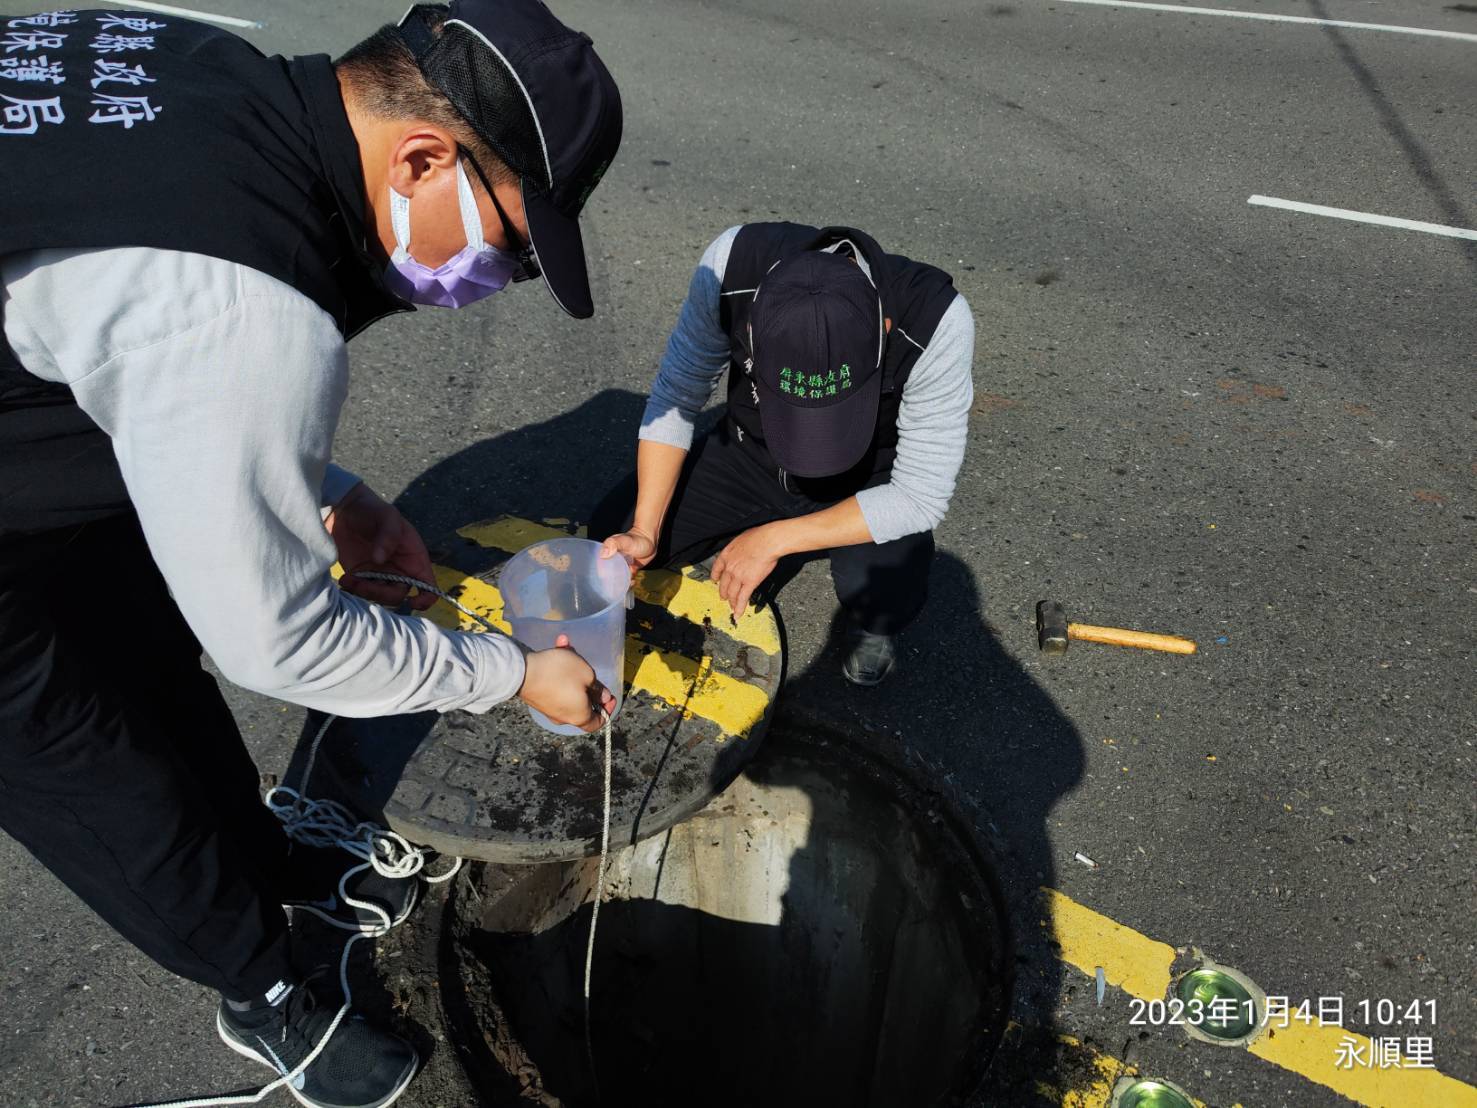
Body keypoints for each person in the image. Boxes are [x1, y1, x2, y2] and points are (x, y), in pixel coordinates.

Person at [0, 3, 620, 1105]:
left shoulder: (201, 58)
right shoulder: (245, 306)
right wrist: (514, 673)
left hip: (32, 420)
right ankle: (261, 986)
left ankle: (257, 854)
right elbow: (276, 641)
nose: (495, 279)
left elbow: (130, 339)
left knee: (144, 644)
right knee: (81, 756)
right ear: (423, 155)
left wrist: (330, 492)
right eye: (512, 246)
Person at [595, 223, 973, 686]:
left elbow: (920, 494)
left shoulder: (937, 319)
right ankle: (728, 531)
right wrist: (643, 530)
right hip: (749, 454)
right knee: (610, 539)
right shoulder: (729, 268)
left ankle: (874, 627)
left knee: (886, 587)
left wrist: (774, 539)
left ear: (884, 328)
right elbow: (678, 393)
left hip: (868, 477)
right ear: (751, 328)